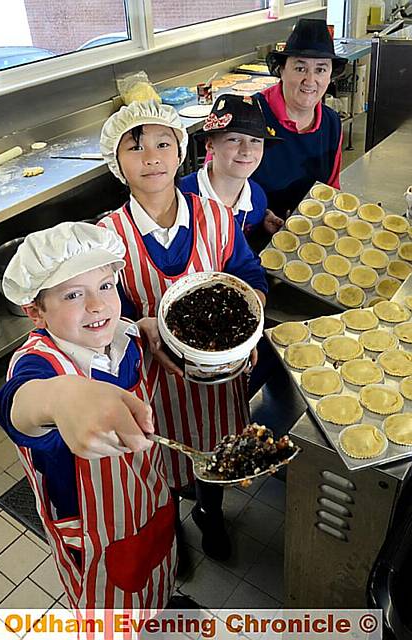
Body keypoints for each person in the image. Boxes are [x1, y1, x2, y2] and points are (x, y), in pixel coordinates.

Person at [99, 100, 268, 565]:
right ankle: (170, 522)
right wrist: (139, 324)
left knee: (215, 456)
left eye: (162, 144)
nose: (151, 157)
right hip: (156, 385)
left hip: (221, 379)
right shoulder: (107, 238)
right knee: (166, 462)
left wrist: (249, 330)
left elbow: (249, 277)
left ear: (182, 152)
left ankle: (209, 513)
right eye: (135, 148)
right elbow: (103, 319)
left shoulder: (214, 217)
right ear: (117, 162)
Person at [0, 222, 177, 613]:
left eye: (106, 286)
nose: (97, 305)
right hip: (92, 525)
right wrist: (62, 396)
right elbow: (19, 404)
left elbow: (127, 327)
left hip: (147, 489)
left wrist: (143, 326)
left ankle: (157, 610)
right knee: (110, 606)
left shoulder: (121, 335)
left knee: (156, 570)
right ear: (35, 311)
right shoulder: (38, 366)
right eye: (74, 294)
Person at [252, 18, 348, 219]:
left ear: (330, 75)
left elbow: (331, 188)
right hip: (249, 234)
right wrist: (259, 215)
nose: (310, 80)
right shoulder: (251, 113)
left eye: (320, 69)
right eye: (300, 68)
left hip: (308, 232)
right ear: (282, 70)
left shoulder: (331, 123)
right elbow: (217, 188)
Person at [180, 93, 284, 240]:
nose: (246, 150)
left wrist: (261, 228)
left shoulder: (257, 199)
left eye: (255, 141)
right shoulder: (179, 198)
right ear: (210, 145)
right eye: (234, 139)